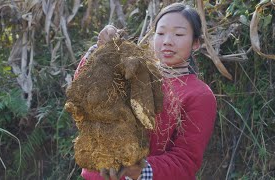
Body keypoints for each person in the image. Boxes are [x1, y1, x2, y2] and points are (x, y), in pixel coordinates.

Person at [74, 2, 217, 180]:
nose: (167, 41)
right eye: (161, 33)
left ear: (196, 43)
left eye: (179, 34)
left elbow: (185, 162)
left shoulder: (199, 95)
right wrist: (101, 51)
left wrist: (139, 169)